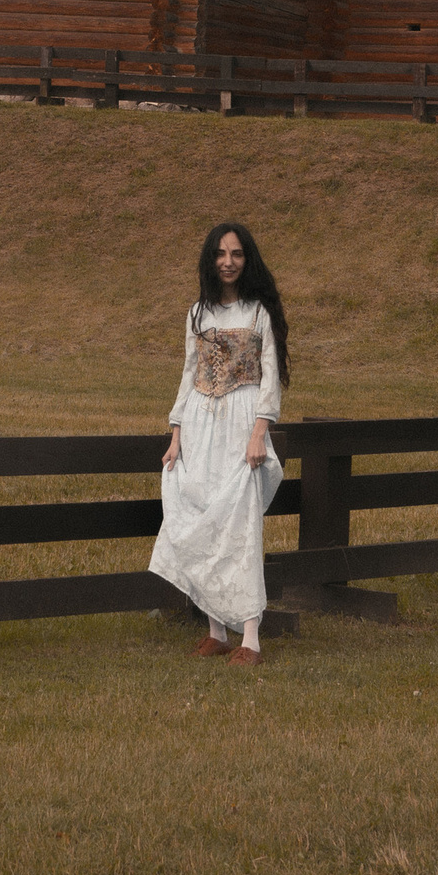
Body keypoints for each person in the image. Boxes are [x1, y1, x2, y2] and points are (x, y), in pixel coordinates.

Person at [148, 220, 290, 666]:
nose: (228, 262)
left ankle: (250, 638)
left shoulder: (258, 313)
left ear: (248, 260)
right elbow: (189, 376)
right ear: (211, 260)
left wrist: (259, 434)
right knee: (202, 515)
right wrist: (176, 435)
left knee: (240, 524)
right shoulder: (198, 314)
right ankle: (216, 631)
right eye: (221, 254)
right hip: (201, 424)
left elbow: (270, 378)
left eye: (237, 254)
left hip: (241, 424)